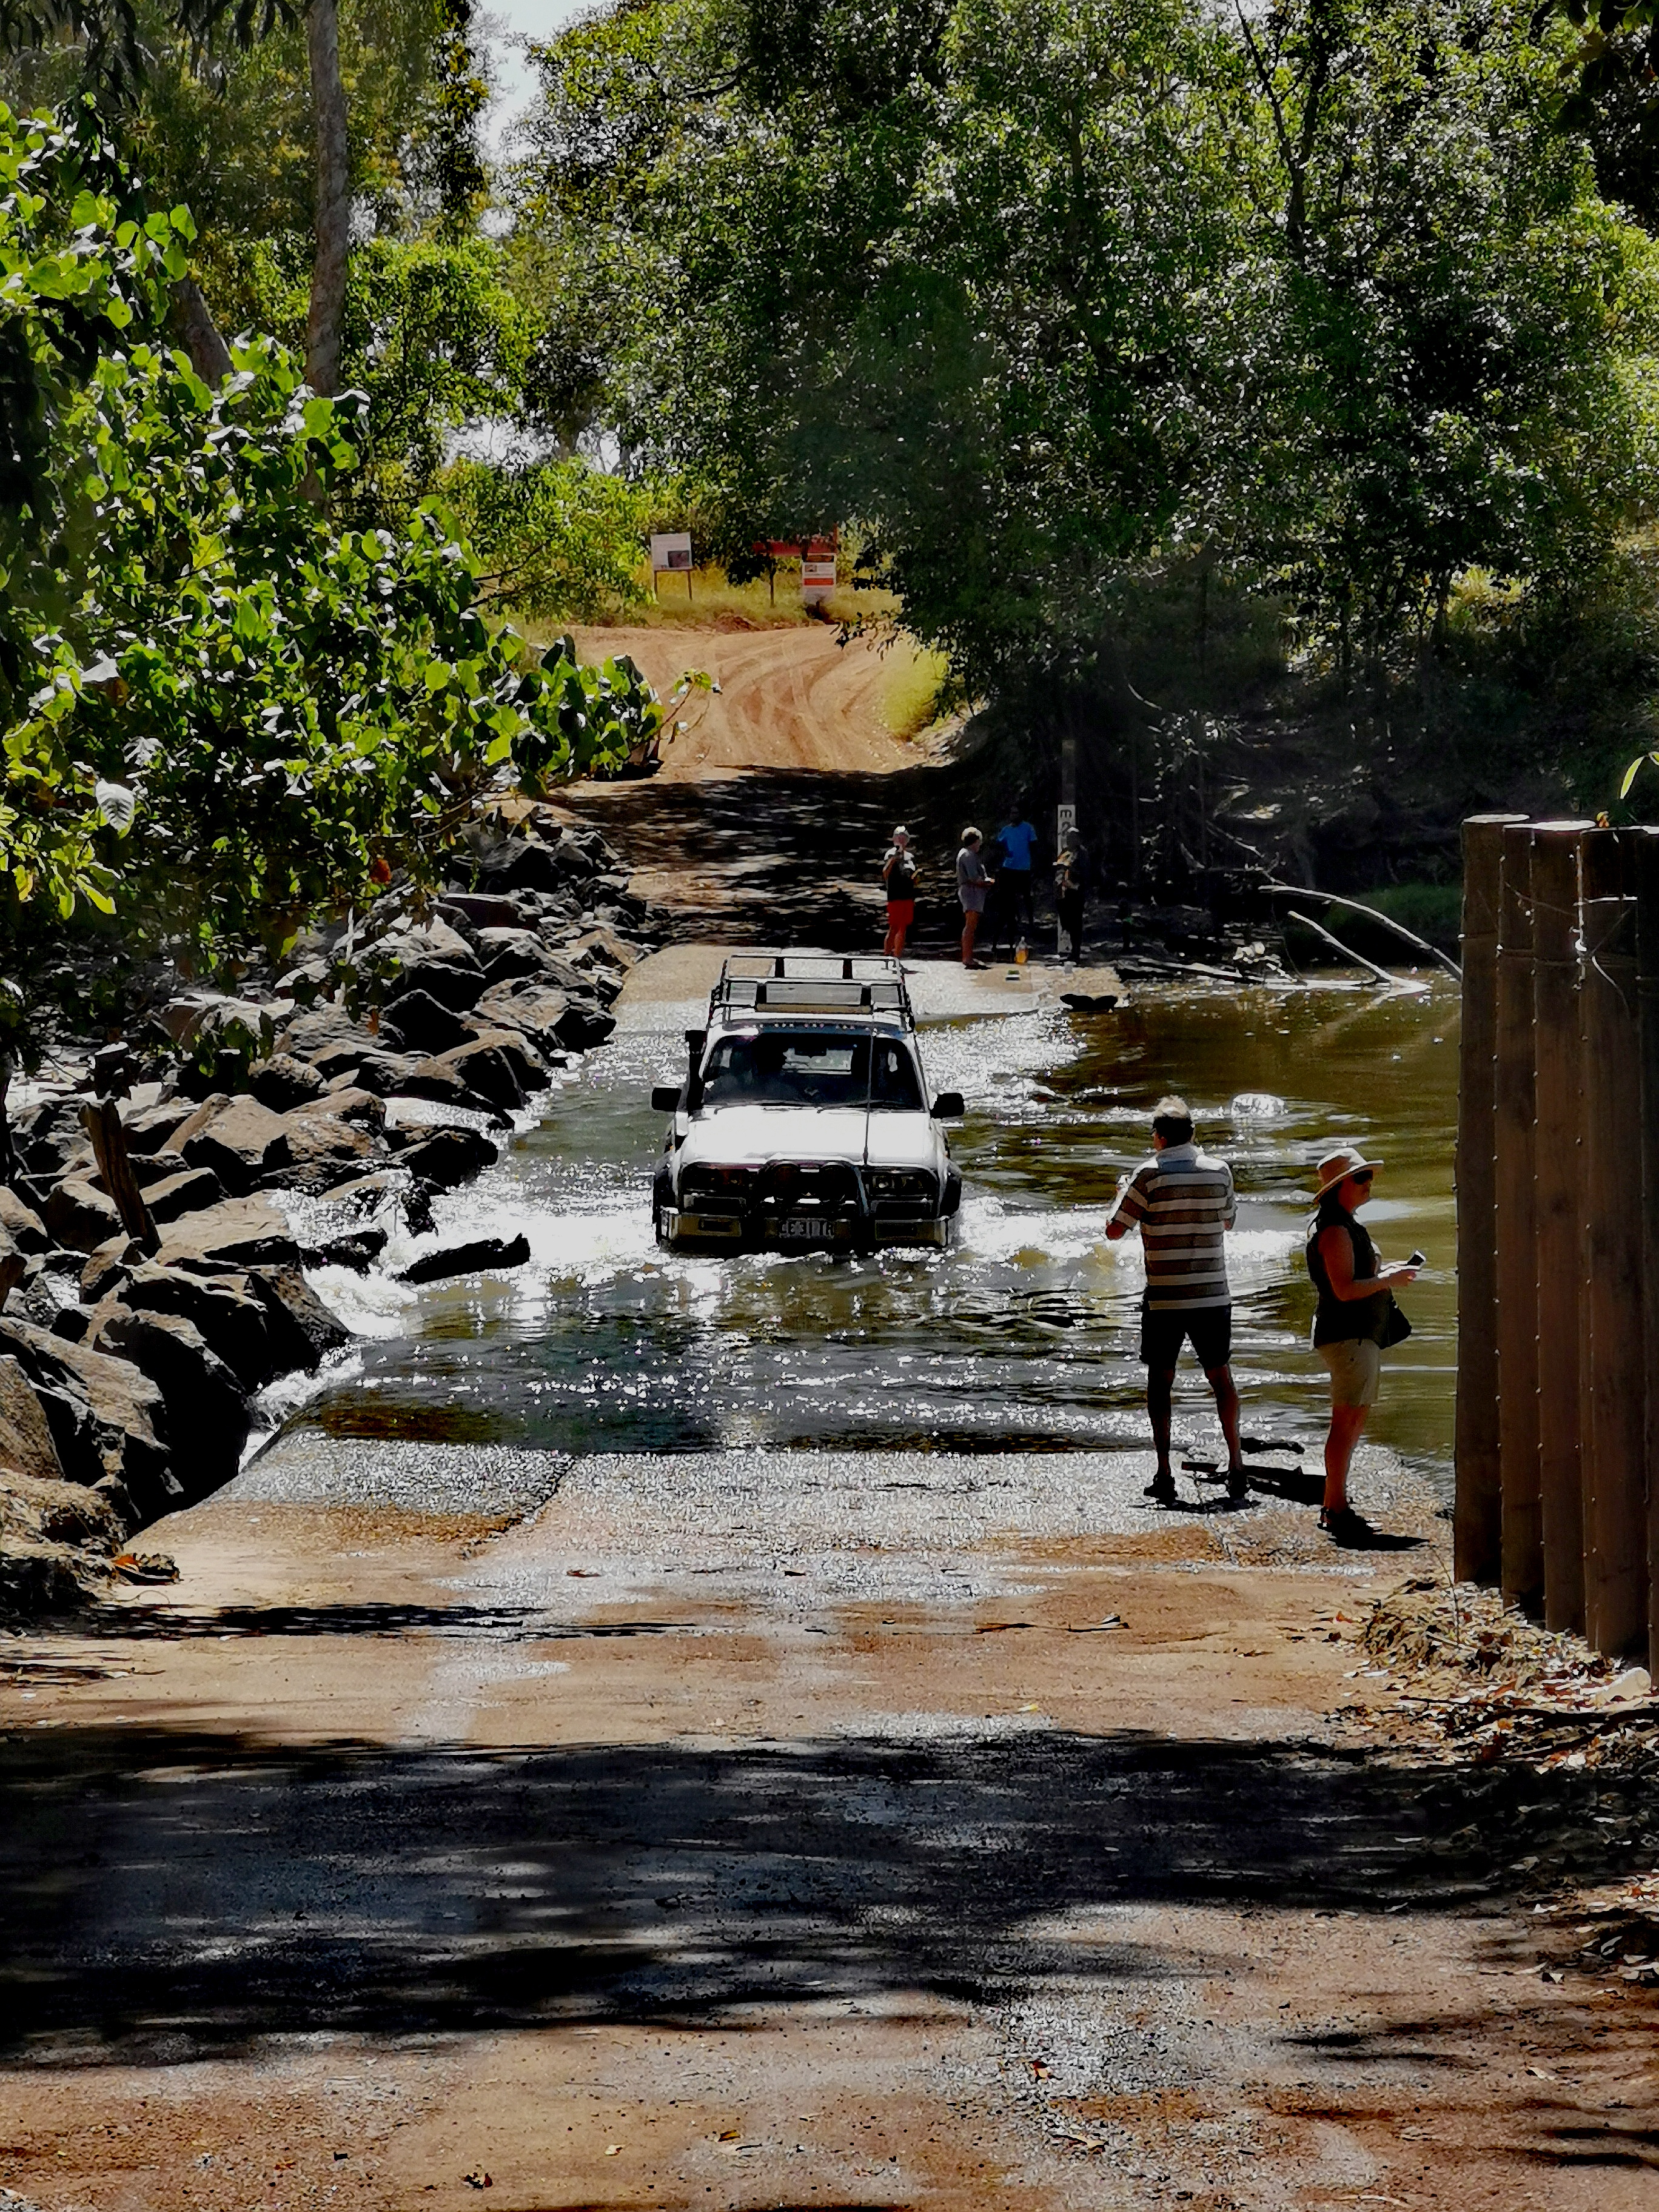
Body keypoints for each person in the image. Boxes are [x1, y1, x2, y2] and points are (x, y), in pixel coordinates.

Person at [1107, 1094, 1247, 1505]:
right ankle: (1237, 1463)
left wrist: (1121, 1193)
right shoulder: (1219, 1171)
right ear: (1193, 1135)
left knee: (1160, 1382)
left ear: (1159, 1138)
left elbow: (1116, 1231)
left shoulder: (1148, 1175)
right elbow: (1228, 1220)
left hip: (1166, 1298)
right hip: (1212, 1294)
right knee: (1221, 1377)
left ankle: (1165, 1472)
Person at [1304, 1147, 1419, 1538]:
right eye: (1360, 1178)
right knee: (1346, 1420)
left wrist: (1390, 1273)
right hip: (1347, 1335)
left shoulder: (1345, 1225)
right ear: (1340, 1187)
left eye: (1368, 1176)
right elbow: (1344, 1290)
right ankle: (1334, 1505)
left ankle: (1336, 1502)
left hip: (1357, 1335)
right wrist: (1389, 1280)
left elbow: (1358, 1277)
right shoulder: (1335, 1230)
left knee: (1354, 1417)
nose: (1368, 1184)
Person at [993, 803, 1039, 937]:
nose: (1014, 815)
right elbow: (998, 845)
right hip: (1008, 868)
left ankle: (1031, 922)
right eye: (1012, 813)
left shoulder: (1028, 828)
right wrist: (1005, 852)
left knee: (1026, 896)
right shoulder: (1006, 830)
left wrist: (1034, 865)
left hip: (1024, 868)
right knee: (1008, 896)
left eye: (1016, 813)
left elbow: (1034, 846)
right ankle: (1012, 921)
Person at [957, 826, 993, 968]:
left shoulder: (969, 854)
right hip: (970, 892)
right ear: (975, 841)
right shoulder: (968, 855)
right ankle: (967, 958)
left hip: (972, 892)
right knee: (970, 926)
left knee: (972, 926)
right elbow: (973, 878)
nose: (980, 845)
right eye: (979, 842)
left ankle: (969, 957)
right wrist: (988, 882)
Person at [1054, 828, 1091, 962]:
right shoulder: (1065, 852)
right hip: (1063, 891)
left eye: (1072, 837)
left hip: (1076, 891)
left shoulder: (1082, 854)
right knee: (1066, 921)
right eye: (1068, 837)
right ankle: (1072, 950)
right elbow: (1059, 866)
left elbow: (1085, 874)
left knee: (1076, 922)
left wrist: (1070, 869)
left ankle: (1076, 952)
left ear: (1078, 839)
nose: (1069, 840)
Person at [882, 825, 917, 957]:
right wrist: (893, 860)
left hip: (908, 897)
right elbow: (885, 874)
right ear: (894, 839)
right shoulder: (890, 854)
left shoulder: (911, 857)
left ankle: (897, 956)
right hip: (895, 896)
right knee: (894, 927)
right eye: (899, 837)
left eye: (904, 838)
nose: (901, 840)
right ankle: (888, 954)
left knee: (903, 928)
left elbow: (913, 876)